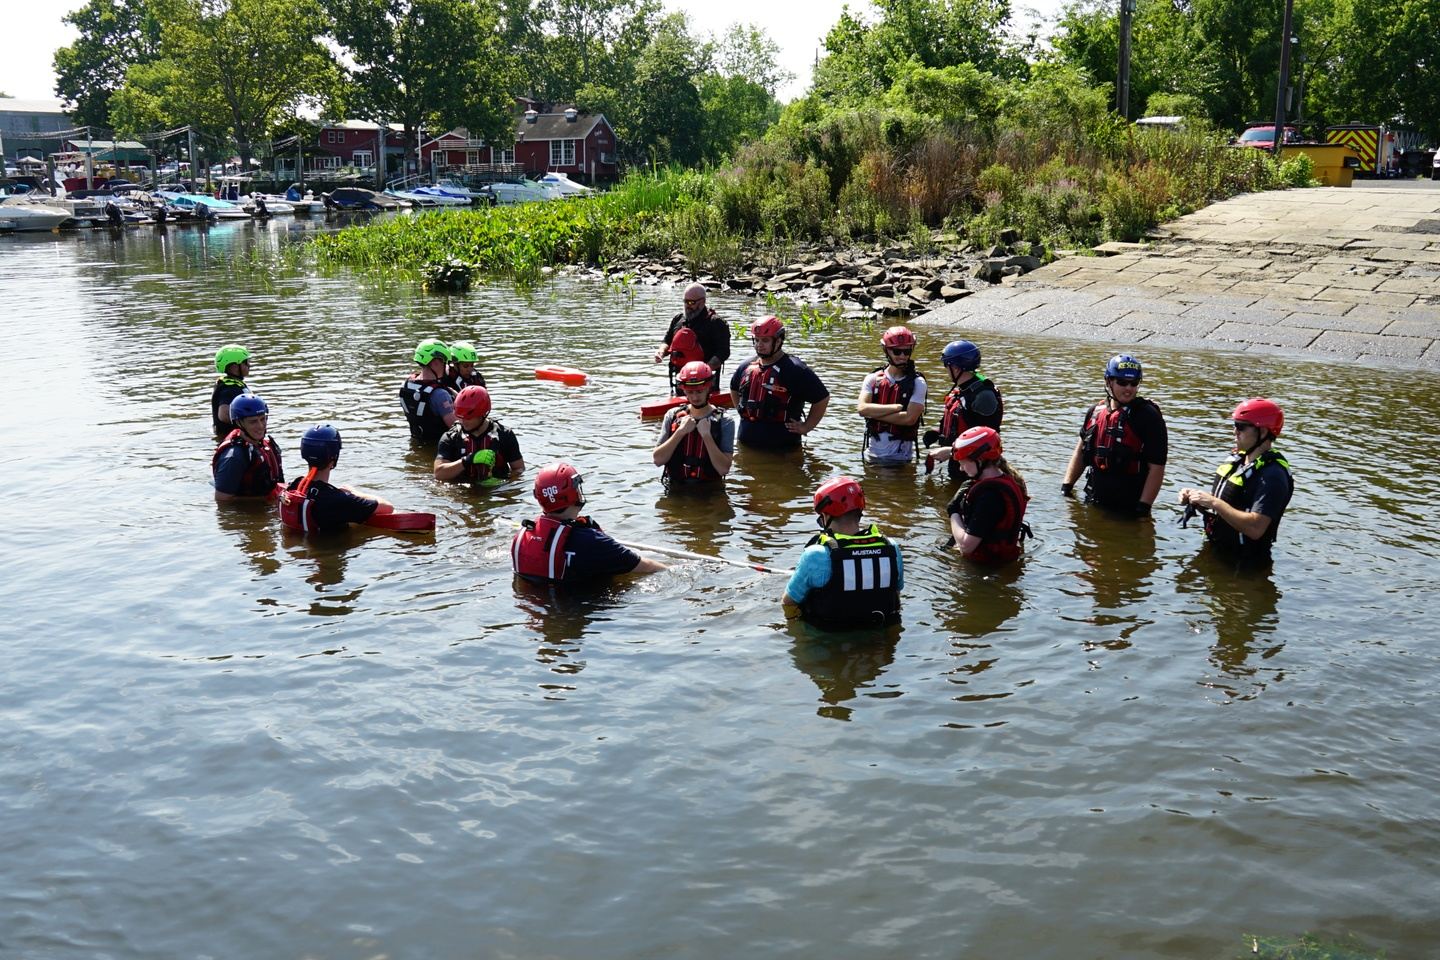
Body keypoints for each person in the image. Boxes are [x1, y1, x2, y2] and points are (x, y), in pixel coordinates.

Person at [1178, 398, 1293, 566]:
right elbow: (1230, 504)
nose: (1235, 431)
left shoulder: (1273, 476)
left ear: (1262, 432)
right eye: (1234, 425)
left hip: (1245, 563)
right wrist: (1197, 499)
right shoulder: (1240, 461)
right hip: (1218, 552)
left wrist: (1214, 502)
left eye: (1241, 426)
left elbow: (1256, 528)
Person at [512, 462, 667, 582]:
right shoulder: (592, 541)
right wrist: (679, 569)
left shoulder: (521, 537)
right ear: (573, 494)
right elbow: (647, 567)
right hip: (582, 611)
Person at [782, 476, 902, 629]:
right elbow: (895, 596)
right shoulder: (891, 548)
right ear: (860, 511)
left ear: (825, 516)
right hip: (878, 640)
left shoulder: (816, 555)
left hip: (827, 641)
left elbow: (788, 603)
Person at [1061, 353, 1167, 515]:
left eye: (1134, 383)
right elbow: (1080, 452)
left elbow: (1157, 467)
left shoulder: (1148, 417)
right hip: (1093, 500)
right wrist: (1066, 488)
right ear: (1108, 381)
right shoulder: (1095, 413)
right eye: (1122, 382)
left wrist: (1143, 508)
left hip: (1129, 506)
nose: (1129, 389)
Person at [729, 315, 830, 450]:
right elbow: (734, 388)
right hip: (746, 445)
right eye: (757, 340)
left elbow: (822, 398)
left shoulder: (795, 369)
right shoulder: (746, 366)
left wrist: (807, 426)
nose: (759, 345)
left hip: (783, 449)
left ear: (778, 341)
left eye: (765, 340)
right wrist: (741, 410)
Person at [280, 425, 394, 533]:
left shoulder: (293, 487)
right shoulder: (338, 500)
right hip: (323, 551)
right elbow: (388, 508)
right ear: (334, 457)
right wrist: (355, 493)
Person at [945, 426, 1031, 563]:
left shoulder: (990, 497)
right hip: (1002, 560)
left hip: (986, 567)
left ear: (979, 461)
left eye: (962, 463)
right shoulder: (1008, 479)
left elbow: (966, 547)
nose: (961, 469)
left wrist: (953, 512)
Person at [923, 339, 1004, 480]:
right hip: (960, 462)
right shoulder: (964, 389)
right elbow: (965, 421)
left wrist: (950, 451)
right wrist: (939, 433)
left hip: (976, 469)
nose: (946, 369)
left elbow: (987, 440)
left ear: (955, 368)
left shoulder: (983, 396)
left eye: (946, 365)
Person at [652, 360, 735, 485]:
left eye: (699, 392)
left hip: (709, 490)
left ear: (709, 388)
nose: (695, 397)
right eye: (690, 392)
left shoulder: (725, 421)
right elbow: (657, 460)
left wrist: (707, 436)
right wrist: (680, 432)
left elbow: (723, 469)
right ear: (684, 391)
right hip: (676, 487)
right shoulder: (672, 415)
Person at [857, 325, 927, 465]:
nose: (902, 356)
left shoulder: (918, 383)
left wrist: (875, 414)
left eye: (906, 352)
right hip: (872, 455)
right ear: (886, 351)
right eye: (897, 351)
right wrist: (896, 407)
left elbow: (909, 419)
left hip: (900, 459)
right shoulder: (873, 379)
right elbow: (862, 409)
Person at [434, 385, 524, 489]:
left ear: (482, 414)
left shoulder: (504, 435)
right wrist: (467, 460)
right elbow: (438, 474)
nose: (463, 422)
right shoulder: (451, 437)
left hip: (496, 491)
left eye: (468, 418)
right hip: (464, 493)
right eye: (460, 417)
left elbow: (519, 469)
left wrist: (503, 481)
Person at [654, 282, 730, 392]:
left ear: (703, 302)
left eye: (691, 302)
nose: (687, 306)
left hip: (704, 382)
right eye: (685, 301)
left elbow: (723, 352)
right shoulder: (678, 319)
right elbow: (667, 340)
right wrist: (661, 352)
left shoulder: (716, 323)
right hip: (681, 379)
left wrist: (705, 370)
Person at [212, 394, 284, 500]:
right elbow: (222, 499)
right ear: (239, 423)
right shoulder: (234, 456)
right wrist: (270, 498)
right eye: (253, 421)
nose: (260, 426)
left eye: (263, 419)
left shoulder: (265, 444)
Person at [398, 338, 456, 445]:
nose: (447, 367)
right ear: (435, 362)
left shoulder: (406, 386)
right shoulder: (440, 394)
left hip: (417, 441)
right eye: (445, 363)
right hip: (440, 447)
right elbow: (458, 427)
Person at [212, 344, 253, 434]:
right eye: (245, 362)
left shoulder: (231, 384)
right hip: (232, 437)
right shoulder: (230, 388)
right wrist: (249, 426)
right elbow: (223, 415)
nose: (249, 365)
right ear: (234, 367)